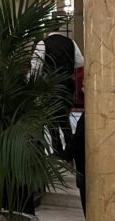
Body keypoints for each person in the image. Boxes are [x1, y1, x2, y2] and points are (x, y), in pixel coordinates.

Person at [31, 19, 84, 156]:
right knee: (64, 117)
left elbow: (36, 67)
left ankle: (59, 151)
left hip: (51, 87)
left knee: (52, 120)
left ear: (46, 29)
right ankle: (69, 149)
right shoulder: (71, 42)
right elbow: (80, 61)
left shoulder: (43, 44)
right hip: (67, 86)